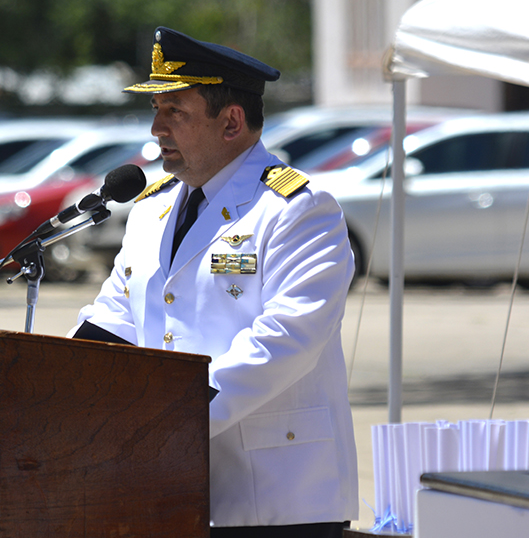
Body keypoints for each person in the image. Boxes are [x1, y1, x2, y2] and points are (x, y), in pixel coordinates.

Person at [69, 27, 358, 537]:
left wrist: (171, 420)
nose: (156, 129)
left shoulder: (298, 210)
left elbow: (287, 339)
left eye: (174, 111)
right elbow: (114, 317)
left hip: (272, 495)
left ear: (231, 121)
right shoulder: (151, 208)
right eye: (155, 110)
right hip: (164, 489)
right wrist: (67, 390)